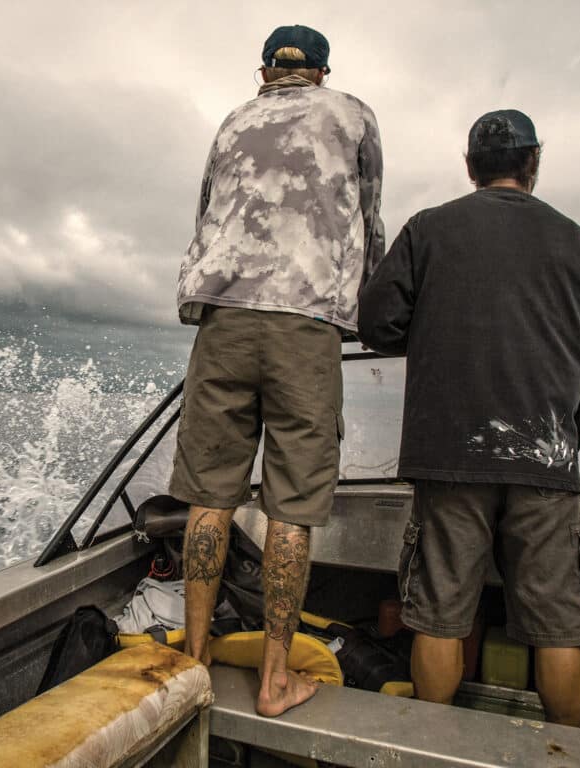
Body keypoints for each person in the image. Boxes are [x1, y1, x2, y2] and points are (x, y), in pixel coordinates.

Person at [358, 109, 580, 726]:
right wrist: (562, 438)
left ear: (471, 168)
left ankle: (430, 750)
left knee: (440, 615)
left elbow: (376, 324)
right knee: (562, 629)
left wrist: (432, 334)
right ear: (533, 164)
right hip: (546, 459)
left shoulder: (428, 230)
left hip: (449, 454)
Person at [170, 24, 384, 717]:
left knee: (209, 497)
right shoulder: (352, 114)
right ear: (321, 72)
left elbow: (205, 213)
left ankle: (195, 660)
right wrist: (366, 311)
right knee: (292, 509)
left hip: (224, 317)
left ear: (264, 71)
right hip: (305, 324)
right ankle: (274, 682)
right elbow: (368, 222)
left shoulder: (233, 120)